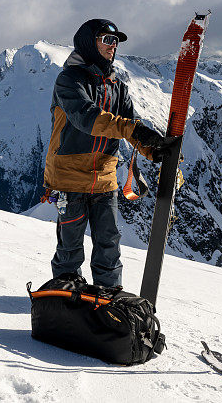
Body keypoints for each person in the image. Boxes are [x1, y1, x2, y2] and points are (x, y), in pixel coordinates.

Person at [43, 18, 176, 287]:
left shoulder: (117, 86)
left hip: (105, 176)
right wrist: (135, 132)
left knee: (109, 244)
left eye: (115, 41)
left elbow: (130, 126)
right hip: (70, 177)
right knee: (70, 247)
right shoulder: (69, 80)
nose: (112, 46)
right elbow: (87, 119)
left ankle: (108, 297)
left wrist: (154, 149)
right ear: (88, 43)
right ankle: (64, 299)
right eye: (107, 40)